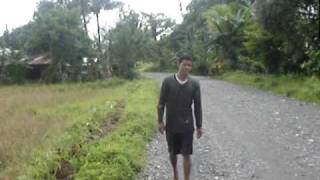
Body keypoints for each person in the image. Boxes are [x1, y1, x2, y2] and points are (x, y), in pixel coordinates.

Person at [157, 54, 203, 180]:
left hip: (187, 126)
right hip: (171, 126)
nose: (187, 68)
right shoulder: (168, 82)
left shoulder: (194, 84)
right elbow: (161, 103)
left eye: (190, 65)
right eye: (185, 64)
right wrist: (160, 121)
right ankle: (175, 173)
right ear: (178, 64)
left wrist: (199, 126)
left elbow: (198, 106)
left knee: (186, 154)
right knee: (172, 153)